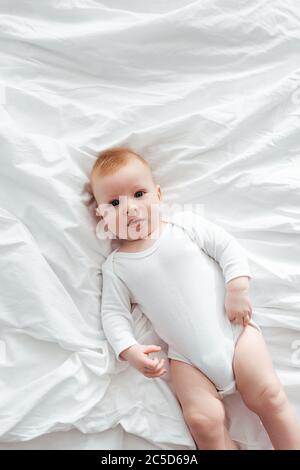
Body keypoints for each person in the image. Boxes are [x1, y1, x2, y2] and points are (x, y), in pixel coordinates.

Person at [90, 146, 300, 450]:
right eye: (114, 202)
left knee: (267, 395)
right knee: (202, 422)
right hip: (187, 360)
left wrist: (237, 288)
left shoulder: (184, 226)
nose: (130, 208)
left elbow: (226, 248)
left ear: (158, 195)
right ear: (101, 216)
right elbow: (113, 314)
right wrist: (129, 350)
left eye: (139, 194)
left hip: (234, 331)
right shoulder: (116, 267)